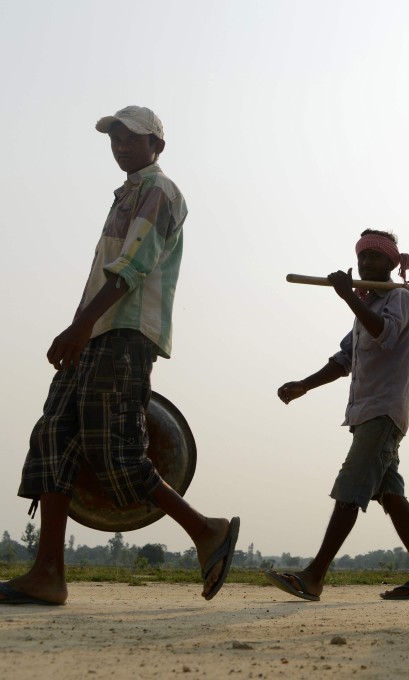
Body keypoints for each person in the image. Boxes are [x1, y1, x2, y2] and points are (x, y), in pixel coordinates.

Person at [1, 106, 240, 607]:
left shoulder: (160, 192)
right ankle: (48, 573)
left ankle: (207, 530)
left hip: (127, 333)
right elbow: (103, 273)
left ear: (157, 146)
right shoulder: (125, 196)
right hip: (95, 333)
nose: (121, 147)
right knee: (53, 438)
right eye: (115, 139)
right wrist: (79, 330)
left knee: (114, 448)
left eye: (131, 139)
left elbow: (131, 268)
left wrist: (81, 325)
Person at [265, 229, 409, 602]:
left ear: (392, 263)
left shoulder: (398, 299)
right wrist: (304, 385)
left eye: (374, 257)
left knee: (351, 487)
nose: (365, 263)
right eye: (361, 257)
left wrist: (347, 297)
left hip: (384, 411)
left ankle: (314, 576)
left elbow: (386, 336)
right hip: (365, 411)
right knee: (389, 494)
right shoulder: (367, 304)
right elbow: (345, 358)